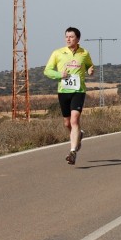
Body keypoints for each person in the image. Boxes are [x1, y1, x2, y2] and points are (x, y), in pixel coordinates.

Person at [44, 27, 94, 165]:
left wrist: (90, 69)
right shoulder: (58, 53)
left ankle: (72, 151)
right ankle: (78, 135)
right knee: (67, 123)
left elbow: (89, 65)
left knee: (74, 120)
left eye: (71, 37)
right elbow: (47, 71)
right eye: (66, 36)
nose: (68, 39)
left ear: (78, 39)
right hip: (63, 91)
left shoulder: (84, 53)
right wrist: (60, 75)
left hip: (78, 91)